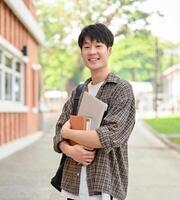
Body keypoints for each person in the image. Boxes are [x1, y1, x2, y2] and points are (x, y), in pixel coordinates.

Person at [53, 23, 136, 200]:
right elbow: (58, 132)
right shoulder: (78, 92)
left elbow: (109, 136)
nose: (92, 52)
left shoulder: (121, 89)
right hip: (72, 188)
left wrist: (68, 133)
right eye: (86, 47)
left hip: (104, 189)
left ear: (109, 51)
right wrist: (70, 150)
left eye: (98, 46)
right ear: (82, 52)